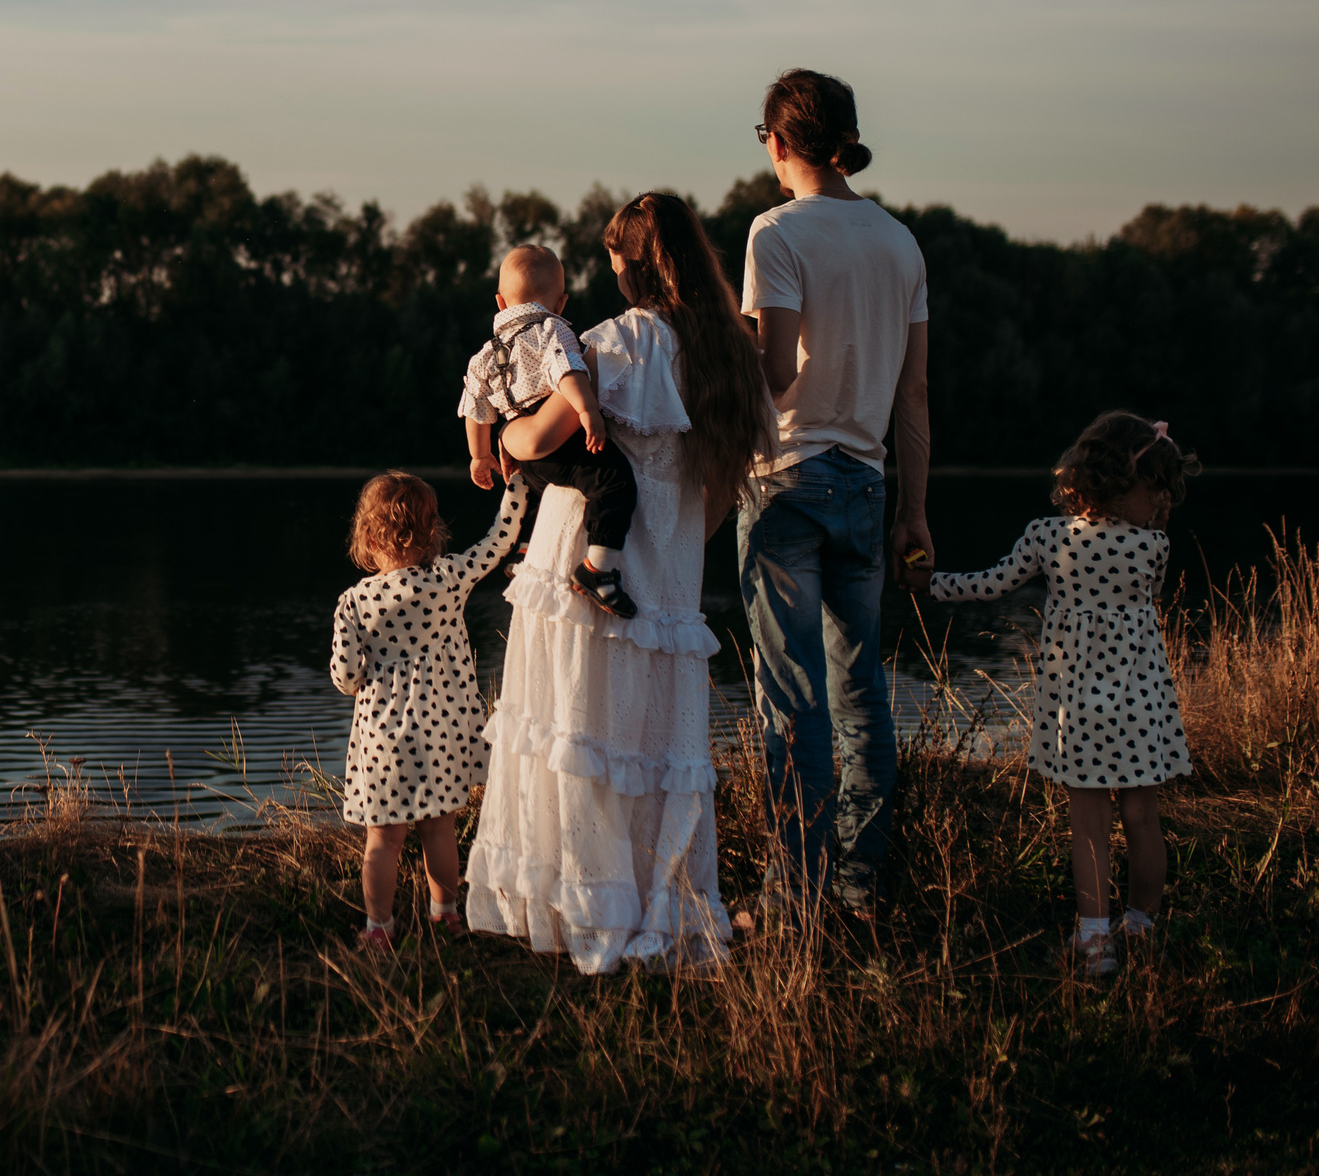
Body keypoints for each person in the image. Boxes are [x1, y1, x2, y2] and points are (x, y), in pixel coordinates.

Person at [464, 193, 775, 972]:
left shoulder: (621, 340)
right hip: (666, 573)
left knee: (582, 733)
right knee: (644, 744)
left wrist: (500, 430)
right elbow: (715, 495)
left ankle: (585, 909)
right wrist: (668, 552)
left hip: (583, 560)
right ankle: (653, 906)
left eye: (613, 262)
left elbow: (538, 437)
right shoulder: (732, 355)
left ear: (634, 263)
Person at [736, 67, 930, 918]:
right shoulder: (901, 243)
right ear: (843, 140)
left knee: (794, 701)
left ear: (779, 143)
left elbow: (776, 371)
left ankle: (795, 893)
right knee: (863, 699)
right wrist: (914, 510)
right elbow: (914, 399)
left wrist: (715, 379)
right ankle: (860, 885)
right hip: (868, 485)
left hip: (786, 486)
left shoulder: (775, 232)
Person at [924, 412, 1196, 976]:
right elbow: (1149, 599)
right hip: (1141, 700)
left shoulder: (1048, 537)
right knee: (1142, 815)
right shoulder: (1153, 547)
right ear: (1122, 484)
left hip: (1079, 708)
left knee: (1090, 822)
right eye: (1157, 490)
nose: (1164, 504)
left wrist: (929, 583)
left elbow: (991, 583)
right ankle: (1142, 926)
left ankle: (1096, 944)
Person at [331, 469, 531, 954]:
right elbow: (499, 539)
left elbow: (345, 677)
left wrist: (364, 678)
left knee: (383, 840)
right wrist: (518, 483)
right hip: (441, 731)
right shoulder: (449, 579)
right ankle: (446, 917)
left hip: (383, 738)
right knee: (439, 829)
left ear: (369, 535)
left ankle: (379, 929)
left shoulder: (355, 601)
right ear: (431, 530)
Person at [460, 243, 639, 617]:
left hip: (523, 452)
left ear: (500, 302)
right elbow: (567, 371)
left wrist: (480, 456)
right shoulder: (549, 329)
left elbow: (476, 408)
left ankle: (528, 548)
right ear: (561, 302)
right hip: (558, 442)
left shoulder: (484, 354)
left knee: (540, 493)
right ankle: (598, 570)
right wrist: (588, 409)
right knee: (614, 482)